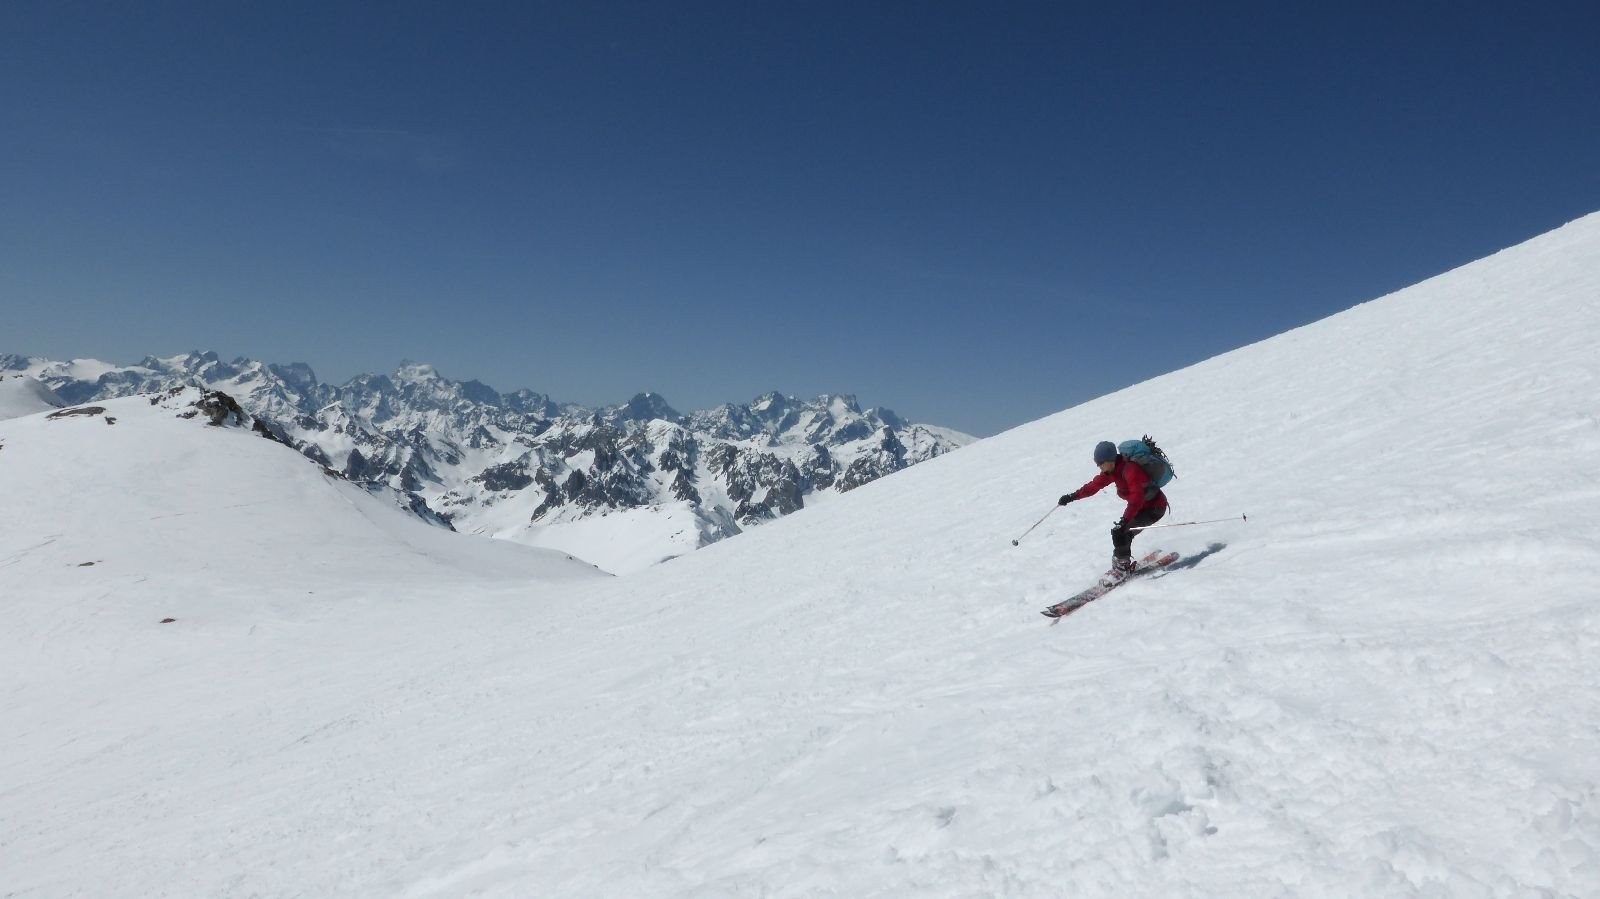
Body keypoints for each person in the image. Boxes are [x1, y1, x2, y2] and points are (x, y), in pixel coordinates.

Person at [1058, 440, 1169, 583]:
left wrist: (1125, 520)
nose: (1099, 466)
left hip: (1155, 508)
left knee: (1121, 533)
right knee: (1121, 532)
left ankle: (1121, 570)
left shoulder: (1130, 470)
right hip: (1141, 508)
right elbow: (1093, 487)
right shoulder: (1111, 471)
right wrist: (1072, 497)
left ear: (1110, 460)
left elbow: (1136, 498)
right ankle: (1121, 566)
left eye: (1100, 463)